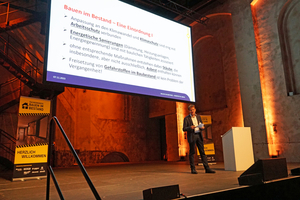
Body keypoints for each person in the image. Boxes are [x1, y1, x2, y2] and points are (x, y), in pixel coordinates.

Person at [183, 104, 215, 174]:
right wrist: (190, 127)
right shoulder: (186, 118)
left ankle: (207, 168)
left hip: (199, 135)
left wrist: (202, 127)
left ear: (195, 110)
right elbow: (184, 128)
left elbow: (201, 124)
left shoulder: (198, 117)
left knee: (202, 152)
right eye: (190, 110)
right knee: (192, 153)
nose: (192, 111)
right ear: (189, 111)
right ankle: (193, 169)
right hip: (192, 136)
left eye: (193, 109)